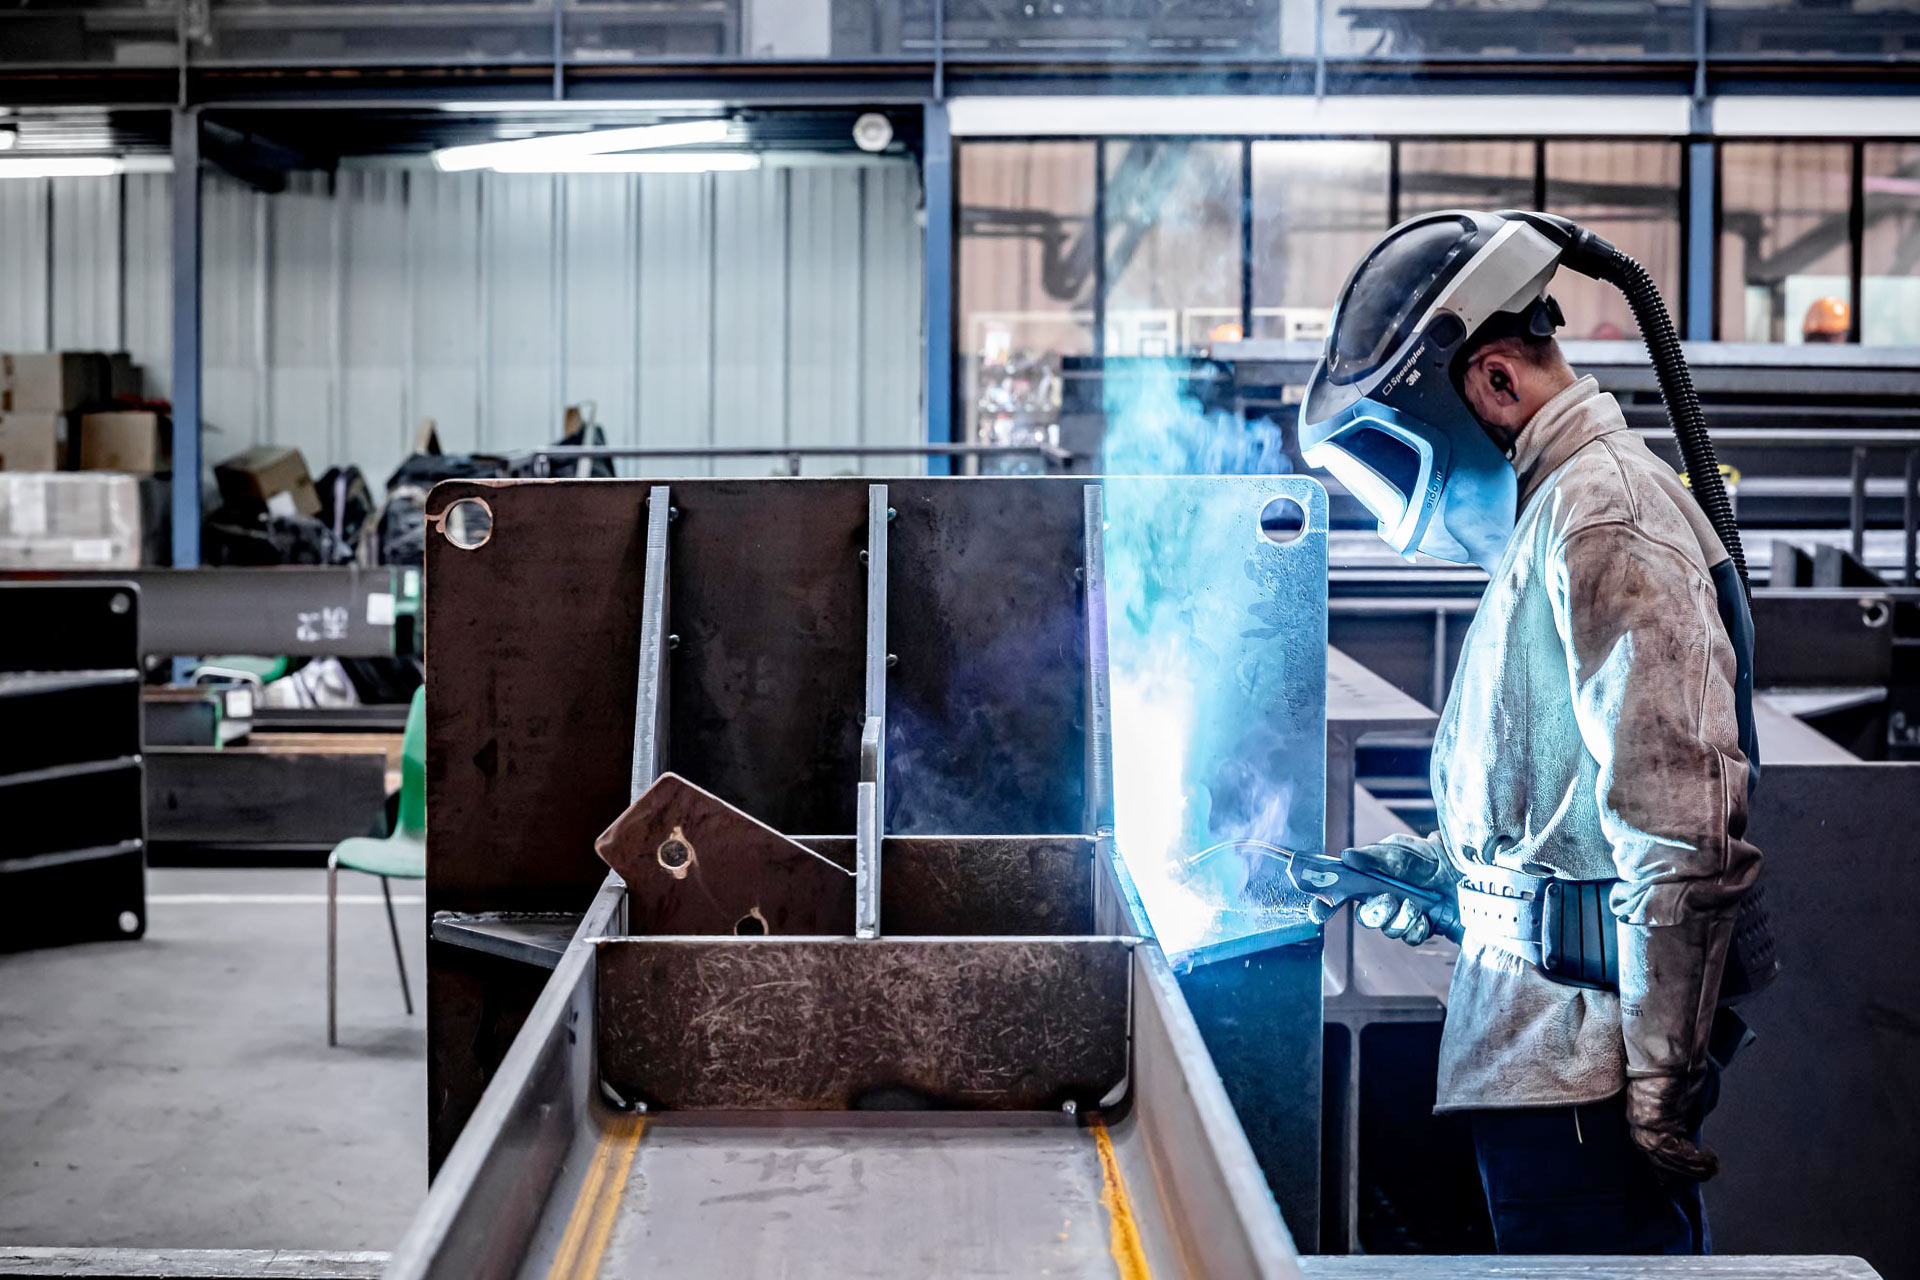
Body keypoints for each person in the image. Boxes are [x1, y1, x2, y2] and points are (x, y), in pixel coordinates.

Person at [1296, 211, 1764, 1256]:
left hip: (1590, 1081)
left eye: (1395, 453)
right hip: (1541, 1064)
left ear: (1496, 382)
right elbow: (1561, 819)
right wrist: (1425, 873)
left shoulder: (1606, 516)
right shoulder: (1558, 513)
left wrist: (1661, 1076)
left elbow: (1687, 832)